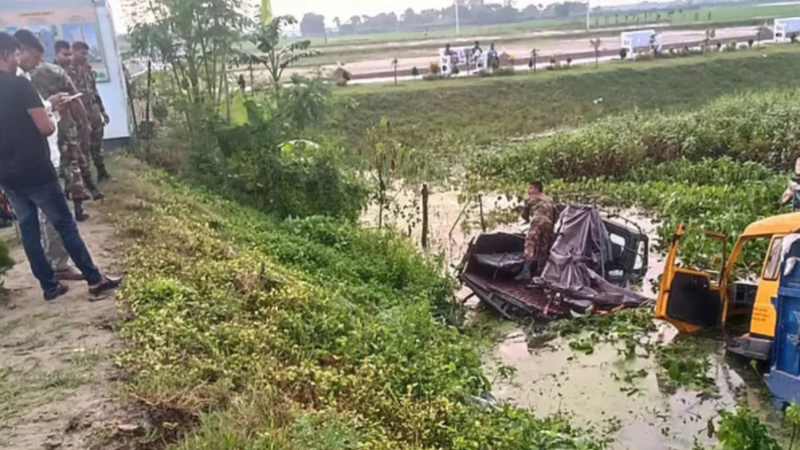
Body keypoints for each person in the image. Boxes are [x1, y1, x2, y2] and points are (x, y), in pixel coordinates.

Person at [0, 32, 121, 300]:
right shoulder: (21, 86)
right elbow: (45, 127)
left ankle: (49, 286)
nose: (19, 60)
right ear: (8, 54)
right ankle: (94, 279)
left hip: (7, 174)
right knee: (65, 223)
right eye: (16, 54)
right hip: (35, 169)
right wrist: (54, 114)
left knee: (29, 230)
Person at [71, 41, 111, 181]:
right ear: (73, 52)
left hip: (93, 110)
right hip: (80, 114)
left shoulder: (87, 69)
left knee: (97, 141)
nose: (85, 57)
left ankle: (101, 171)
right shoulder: (67, 71)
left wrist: (102, 111)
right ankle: (85, 178)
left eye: (86, 54)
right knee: (84, 146)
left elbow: (94, 91)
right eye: (82, 53)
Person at [516, 181, 559, 281]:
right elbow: (556, 215)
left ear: (536, 189)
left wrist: (527, 220)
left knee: (529, 244)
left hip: (537, 222)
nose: (528, 190)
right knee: (543, 249)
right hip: (548, 225)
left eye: (530, 188)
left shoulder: (530, 198)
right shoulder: (549, 199)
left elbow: (524, 214)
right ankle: (541, 274)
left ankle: (525, 272)